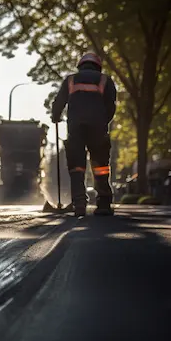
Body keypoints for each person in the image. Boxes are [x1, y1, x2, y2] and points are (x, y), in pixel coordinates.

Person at [51, 51, 118, 217]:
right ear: (98, 66)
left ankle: (79, 203)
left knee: (77, 167)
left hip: (76, 129)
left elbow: (59, 102)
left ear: (80, 65)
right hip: (98, 129)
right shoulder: (105, 80)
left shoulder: (71, 80)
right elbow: (111, 106)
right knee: (100, 167)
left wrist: (55, 116)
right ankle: (103, 203)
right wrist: (103, 122)